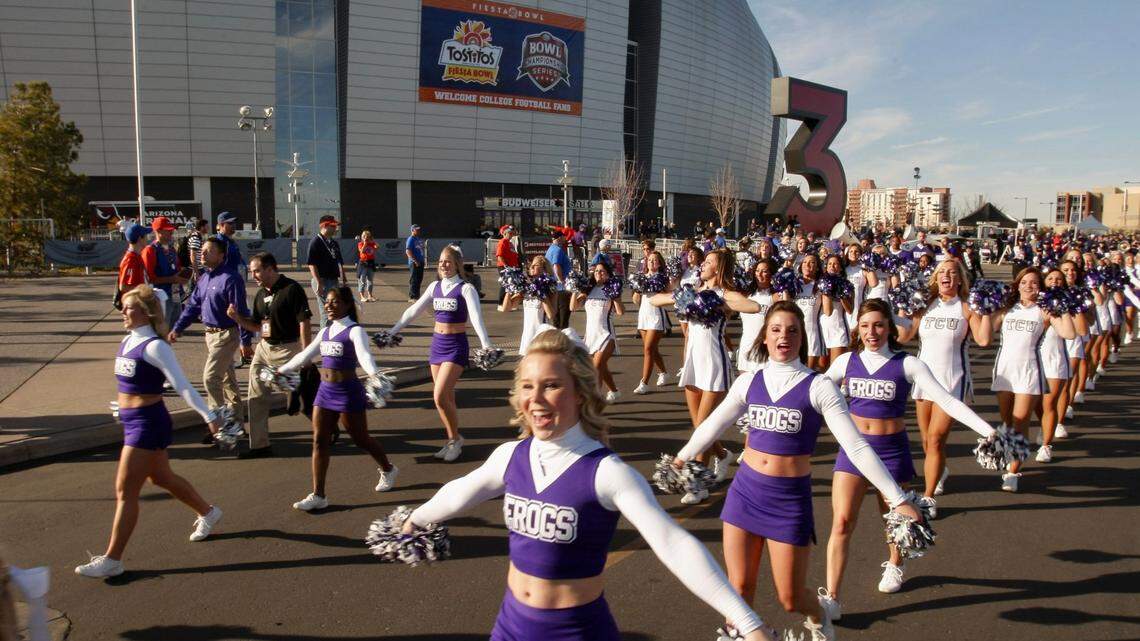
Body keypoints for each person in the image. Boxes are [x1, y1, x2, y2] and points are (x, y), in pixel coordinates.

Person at [399, 328, 777, 641]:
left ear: (579, 391)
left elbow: (672, 543)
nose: (535, 399)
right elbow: (462, 491)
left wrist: (747, 622)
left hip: (577, 631)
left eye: (551, 385)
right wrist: (415, 519)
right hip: (510, 627)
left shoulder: (606, 472)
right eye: (528, 386)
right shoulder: (510, 456)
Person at [672, 301, 921, 641]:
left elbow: (856, 446)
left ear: (802, 337)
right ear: (764, 336)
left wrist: (897, 497)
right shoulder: (749, 381)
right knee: (739, 588)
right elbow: (712, 425)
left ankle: (819, 616)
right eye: (775, 329)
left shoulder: (819, 387)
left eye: (792, 330)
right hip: (745, 493)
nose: (783, 336)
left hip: (788, 501)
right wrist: (681, 458)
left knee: (790, 598)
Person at [817, 300, 995, 613]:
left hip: (891, 451)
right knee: (842, 521)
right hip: (853, 451)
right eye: (865, 326)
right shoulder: (846, 362)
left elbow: (947, 401)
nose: (872, 332)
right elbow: (813, 392)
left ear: (889, 327)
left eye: (878, 325)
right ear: (858, 329)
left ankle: (895, 564)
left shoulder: (908, 363)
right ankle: (831, 597)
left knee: (895, 519)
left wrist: (987, 430)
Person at [75, 285, 226, 578]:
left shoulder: (156, 347)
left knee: (125, 490)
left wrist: (208, 415)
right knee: (162, 477)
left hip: (148, 424)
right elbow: (131, 385)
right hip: (133, 420)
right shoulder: (127, 340)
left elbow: (182, 386)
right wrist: (122, 408)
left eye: (129, 307)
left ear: (146, 313)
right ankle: (208, 512)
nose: (122, 311)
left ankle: (113, 560)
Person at [650, 249, 761, 504]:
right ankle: (722, 455)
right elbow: (655, 300)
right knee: (701, 429)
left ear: (718, 269)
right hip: (693, 364)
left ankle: (698, 486)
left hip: (714, 364)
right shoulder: (691, 292)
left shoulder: (724, 294)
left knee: (702, 428)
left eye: (709, 262)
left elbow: (753, 306)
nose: (703, 264)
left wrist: (721, 303)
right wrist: (679, 296)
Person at [278, 287, 398, 510]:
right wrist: (281, 370)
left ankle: (388, 469)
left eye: (335, 302)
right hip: (325, 391)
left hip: (348, 391)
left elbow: (364, 356)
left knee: (360, 439)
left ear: (347, 305)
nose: (329, 306)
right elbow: (305, 355)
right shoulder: (326, 331)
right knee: (319, 440)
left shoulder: (355, 331)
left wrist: (375, 375)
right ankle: (319, 495)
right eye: (327, 302)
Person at [895, 258, 991, 511]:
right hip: (924, 381)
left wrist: (986, 309)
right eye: (942, 272)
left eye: (952, 272)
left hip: (952, 380)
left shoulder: (967, 307)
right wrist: (902, 308)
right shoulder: (925, 305)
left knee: (936, 439)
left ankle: (928, 497)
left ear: (960, 279)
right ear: (935, 278)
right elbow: (904, 337)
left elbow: (983, 340)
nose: (946, 275)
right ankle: (939, 469)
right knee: (927, 441)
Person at [388, 245, 496, 462]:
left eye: (447, 261)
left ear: (457, 264)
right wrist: (392, 331)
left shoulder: (466, 289)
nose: (443, 265)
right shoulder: (434, 286)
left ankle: (455, 440)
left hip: (456, 346)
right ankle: (452, 439)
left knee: (439, 395)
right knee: (445, 398)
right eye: (440, 261)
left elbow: (476, 318)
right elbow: (413, 310)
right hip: (437, 344)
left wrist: (486, 344)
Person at [988, 267, 1076, 492]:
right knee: (1007, 423)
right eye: (1024, 282)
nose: (1029, 286)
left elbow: (1069, 333)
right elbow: (985, 335)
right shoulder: (1007, 309)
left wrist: (1062, 306)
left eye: (1035, 283)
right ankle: (1012, 454)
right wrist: (986, 306)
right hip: (1005, 370)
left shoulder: (1044, 310)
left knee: (1020, 420)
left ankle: (1012, 472)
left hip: (1030, 370)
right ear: (1017, 285)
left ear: (1041, 287)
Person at [226, 252, 313, 458]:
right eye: (251, 271)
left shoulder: (291, 289)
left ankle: (326, 427)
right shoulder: (260, 295)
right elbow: (260, 327)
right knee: (255, 396)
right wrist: (238, 319)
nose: (253, 275)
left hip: (287, 350)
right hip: (264, 349)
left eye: (256, 271)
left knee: (299, 399)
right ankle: (260, 445)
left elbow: (304, 322)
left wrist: (306, 354)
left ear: (270, 269)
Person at [169, 237, 254, 431]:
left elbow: (241, 312)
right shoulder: (204, 278)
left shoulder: (231, 279)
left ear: (221, 255)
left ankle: (219, 425)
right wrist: (178, 328)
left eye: (210, 251)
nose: (203, 253)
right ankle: (237, 423)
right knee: (227, 380)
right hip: (209, 335)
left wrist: (245, 341)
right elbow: (193, 307)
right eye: (203, 250)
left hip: (226, 335)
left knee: (210, 378)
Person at [1035, 267, 1085, 463]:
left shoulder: (1067, 303)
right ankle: (1045, 426)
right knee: (1036, 403)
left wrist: (1071, 307)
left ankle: (1046, 446)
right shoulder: (1034, 302)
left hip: (1055, 359)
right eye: (1050, 278)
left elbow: (1081, 330)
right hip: (1033, 358)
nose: (1054, 282)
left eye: (1058, 279)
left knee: (1049, 403)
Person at [570, 257, 625, 402]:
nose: (598, 273)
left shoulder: (610, 289)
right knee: (601, 366)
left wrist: (615, 297)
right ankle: (614, 391)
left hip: (606, 334)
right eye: (596, 271)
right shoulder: (589, 290)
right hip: (591, 335)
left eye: (602, 271)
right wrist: (575, 290)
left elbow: (620, 312)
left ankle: (594, 402)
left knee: (596, 367)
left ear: (608, 274)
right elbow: (573, 307)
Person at [632, 250, 672, 393]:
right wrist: (638, 290)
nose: (652, 262)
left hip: (656, 315)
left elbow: (669, 296)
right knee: (652, 350)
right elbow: (635, 299)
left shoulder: (663, 278)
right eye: (650, 260)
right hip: (644, 314)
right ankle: (664, 373)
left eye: (655, 260)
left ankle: (644, 383)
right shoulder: (641, 277)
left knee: (648, 349)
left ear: (660, 263)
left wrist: (663, 290)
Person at [502, 255, 556, 355]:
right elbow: (506, 308)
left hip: (541, 336)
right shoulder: (526, 289)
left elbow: (551, 315)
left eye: (536, 265)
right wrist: (509, 288)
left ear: (544, 269)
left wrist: (541, 294)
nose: (532, 267)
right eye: (532, 265)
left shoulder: (550, 289)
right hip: (527, 336)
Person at [141, 216, 189, 323]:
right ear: (158, 231)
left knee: (175, 326)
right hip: (161, 297)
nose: (171, 232)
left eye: (171, 229)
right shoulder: (150, 250)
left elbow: (177, 269)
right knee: (163, 326)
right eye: (167, 230)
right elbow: (149, 279)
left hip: (175, 294)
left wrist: (183, 276)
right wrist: (173, 279)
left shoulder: (171, 249)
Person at [307, 215, 347, 327]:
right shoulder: (315, 242)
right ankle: (324, 335)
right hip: (322, 280)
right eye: (333, 226)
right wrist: (319, 282)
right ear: (325, 226)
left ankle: (332, 332)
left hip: (333, 279)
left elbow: (339, 262)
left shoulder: (333, 243)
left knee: (335, 309)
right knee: (327, 311)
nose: (336, 229)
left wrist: (344, 278)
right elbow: (311, 264)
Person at [737, 258, 776, 373]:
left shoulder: (775, 296)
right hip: (746, 344)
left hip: (764, 347)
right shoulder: (746, 294)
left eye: (764, 271)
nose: (759, 274)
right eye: (757, 271)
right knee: (745, 382)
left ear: (771, 274)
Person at [116, 224, 150, 305]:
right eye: (146, 236)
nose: (147, 239)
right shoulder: (130, 259)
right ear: (140, 238)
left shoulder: (137, 256)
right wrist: (146, 291)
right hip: (135, 304)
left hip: (140, 302)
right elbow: (123, 287)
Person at [545, 232, 573, 329]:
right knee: (563, 315)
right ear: (560, 237)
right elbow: (556, 265)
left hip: (554, 286)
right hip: (560, 288)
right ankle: (562, 333)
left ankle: (557, 332)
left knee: (556, 316)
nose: (565, 238)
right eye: (564, 236)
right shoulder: (557, 250)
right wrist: (562, 281)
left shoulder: (551, 249)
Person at [495, 225, 520, 311]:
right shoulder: (503, 242)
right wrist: (506, 266)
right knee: (505, 285)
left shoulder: (510, 243)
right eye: (510, 233)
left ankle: (509, 304)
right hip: (504, 267)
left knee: (512, 286)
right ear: (504, 234)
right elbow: (499, 256)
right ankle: (500, 304)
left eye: (512, 233)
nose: (511, 235)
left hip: (512, 268)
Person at [214, 211, 245, 276]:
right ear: (221, 225)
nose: (234, 225)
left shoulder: (231, 241)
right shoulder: (219, 242)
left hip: (236, 278)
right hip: (227, 279)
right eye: (230, 223)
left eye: (234, 222)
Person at [357, 228, 378, 303]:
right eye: (364, 237)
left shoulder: (372, 243)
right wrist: (365, 243)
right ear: (362, 237)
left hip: (371, 263)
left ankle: (370, 295)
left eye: (368, 237)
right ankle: (362, 296)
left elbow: (377, 247)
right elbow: (361, 251)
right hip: (363, 263)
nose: (366, 238)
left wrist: (373, 241)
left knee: (370, 281)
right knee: (362, 281)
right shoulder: (360, 244)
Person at [406, 224, 426, 301]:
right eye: (416, 229)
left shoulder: (418, 239)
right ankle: (412, 297)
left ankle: (417, 296)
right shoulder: (411, 239)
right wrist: (415, 260)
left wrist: (422, 260)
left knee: (419, 279)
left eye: (418, 229)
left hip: (420, 262)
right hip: (414, 263)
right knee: (414, 280)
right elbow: (408, 251)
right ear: (412, 230)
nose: (418, 231)